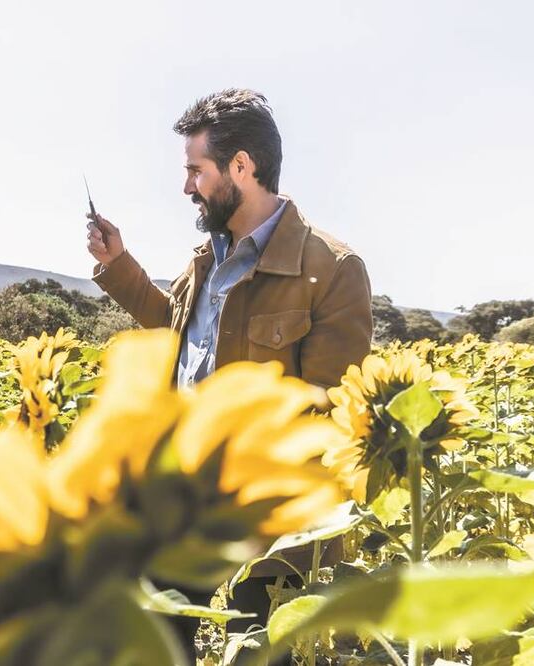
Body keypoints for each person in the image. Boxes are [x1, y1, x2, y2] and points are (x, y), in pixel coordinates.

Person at [86, 89, 373, 655]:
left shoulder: (331, 269)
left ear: (241, 166)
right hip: (183, 499)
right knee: (154, 641)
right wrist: (116, 267)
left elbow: (331, 413)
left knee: (260, 649)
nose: (187, 186)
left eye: (196, 170)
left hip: (270, 519)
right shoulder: (206, 258)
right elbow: (176, 332)